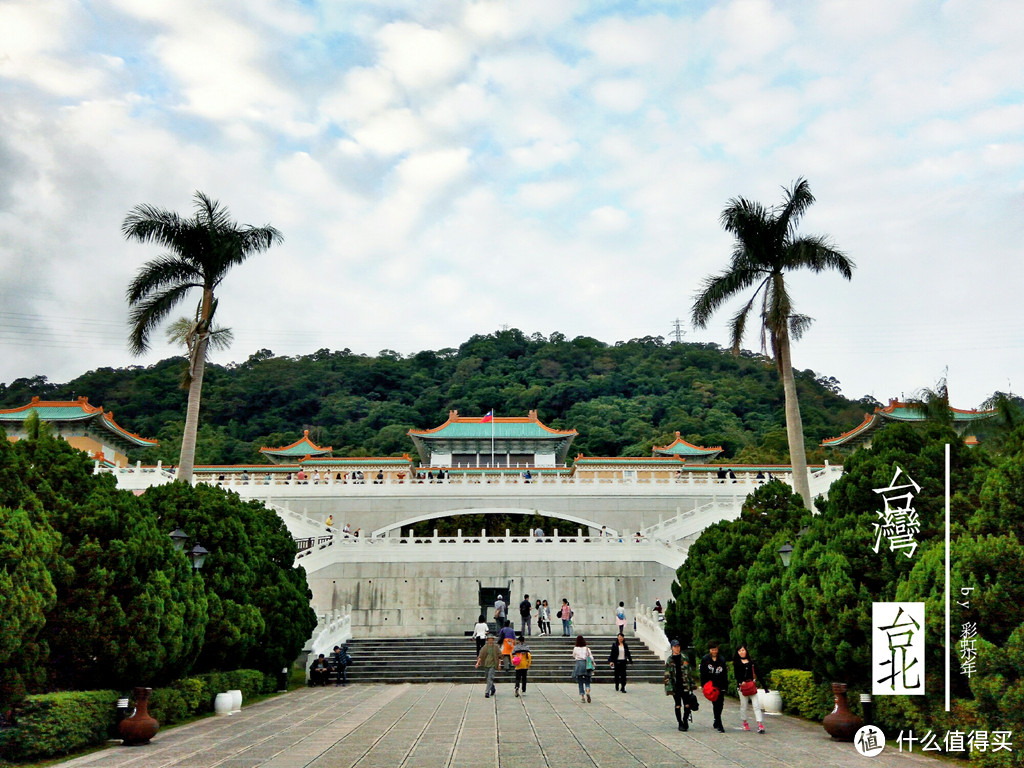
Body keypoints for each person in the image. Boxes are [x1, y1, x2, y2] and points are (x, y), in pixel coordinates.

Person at [664, 639, 695, 731]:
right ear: (672, 648)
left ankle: (685, 720)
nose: (677, 648)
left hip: (685, 684)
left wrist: (692, 684)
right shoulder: (670, 660)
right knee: (678, 705)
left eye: (678, 646)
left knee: (687, 704)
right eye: (675, 647)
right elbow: (667, 674)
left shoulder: (685, 657)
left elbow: (689, 671)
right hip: (676, 686)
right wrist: (668, 687)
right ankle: (680, 722)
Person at [734, 644, 765, 733]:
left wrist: (764, 686)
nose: (742, 652)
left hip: (751, 686)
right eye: (739, 651)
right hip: (742, 688)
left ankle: (760, 724)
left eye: (743, 650)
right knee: (744, 706)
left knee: (756, 705)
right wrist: (741, 681)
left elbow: (758, 673)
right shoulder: (736, 663)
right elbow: (737, 675)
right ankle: (745, 722)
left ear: (746, 651)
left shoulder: (752, 662)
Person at [700, 641, 729, 732]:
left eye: (715, 649)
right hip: (711, 685)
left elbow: (725, 673)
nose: (714, 651)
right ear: (710, 650)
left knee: (720, 704)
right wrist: (703, 685)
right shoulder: (705, 659)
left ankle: (716, 719)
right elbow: (702, 673)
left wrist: (725, 686)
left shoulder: (722, 659)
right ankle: (719, 723)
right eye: (712, 649)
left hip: (720, 684)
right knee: (715, 703)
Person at [571, 635, 594, 703]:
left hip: (579, 664)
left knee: (580, 681)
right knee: (587, 680)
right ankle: (587, 691)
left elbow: (573, 655)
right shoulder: (587, 648)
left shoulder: (575, 648)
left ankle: (583, 696)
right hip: (586, 664)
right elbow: (591, 657)